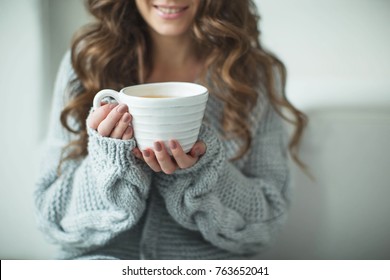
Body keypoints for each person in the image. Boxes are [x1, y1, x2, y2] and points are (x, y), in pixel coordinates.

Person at [35, 0, 307, 260]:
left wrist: (204, 173)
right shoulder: (86, 63)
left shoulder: (251, 75)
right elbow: (51, 216)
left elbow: (267, 223)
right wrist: (109, 162)